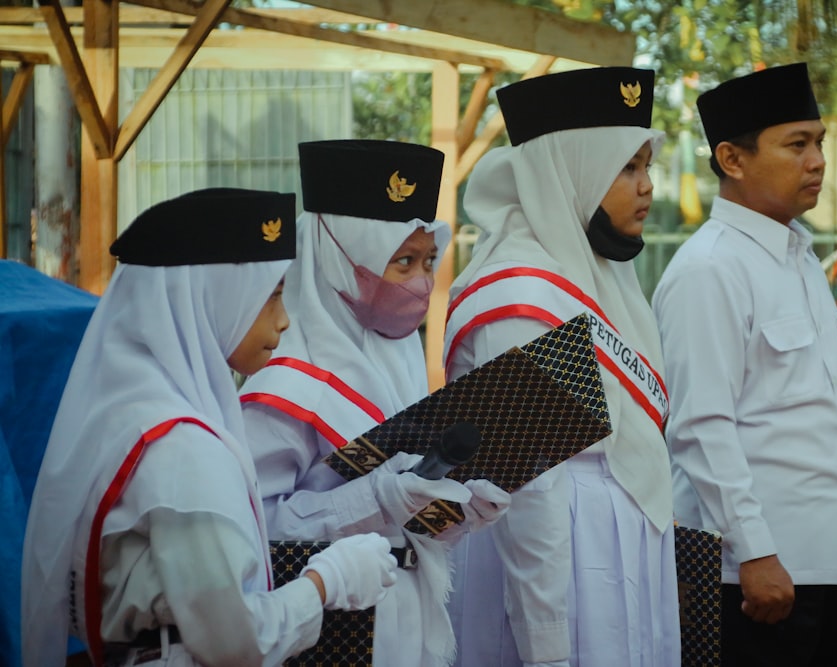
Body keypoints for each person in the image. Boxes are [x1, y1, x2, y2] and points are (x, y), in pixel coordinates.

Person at [21, 188, 398, 667]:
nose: (283, 321)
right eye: (270, 297)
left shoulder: (134, 411)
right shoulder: (182, 448)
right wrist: (326, 582)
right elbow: (235, 642)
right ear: (206, 299)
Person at [651, 62, 837, 666]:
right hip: (751, 578)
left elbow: (831, 414)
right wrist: (753, 551)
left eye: (819, 143)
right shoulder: (710, 268)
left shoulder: (801, 258)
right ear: (732, 159)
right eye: (797, 145)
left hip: (832, 563)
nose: (816, 161)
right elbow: (701, 427)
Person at [442, 67, 681, 667]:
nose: (647, 186)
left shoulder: (597, 275)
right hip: (556, 571)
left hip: (610, 558)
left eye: (647, 165)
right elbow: (529, 489)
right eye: (626, 168)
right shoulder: (520, 294)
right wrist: (547, 646)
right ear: (568, 172)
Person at [239, 140, 511, 667]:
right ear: (341, 262)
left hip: (411, 621)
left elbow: (403, 521)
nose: (421, 283)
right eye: (401, 262)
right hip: (330, 630)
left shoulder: (402, 361)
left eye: (429, 261)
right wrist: (380, 498)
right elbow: (258, 532)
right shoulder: (280, 388)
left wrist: (459, 510)